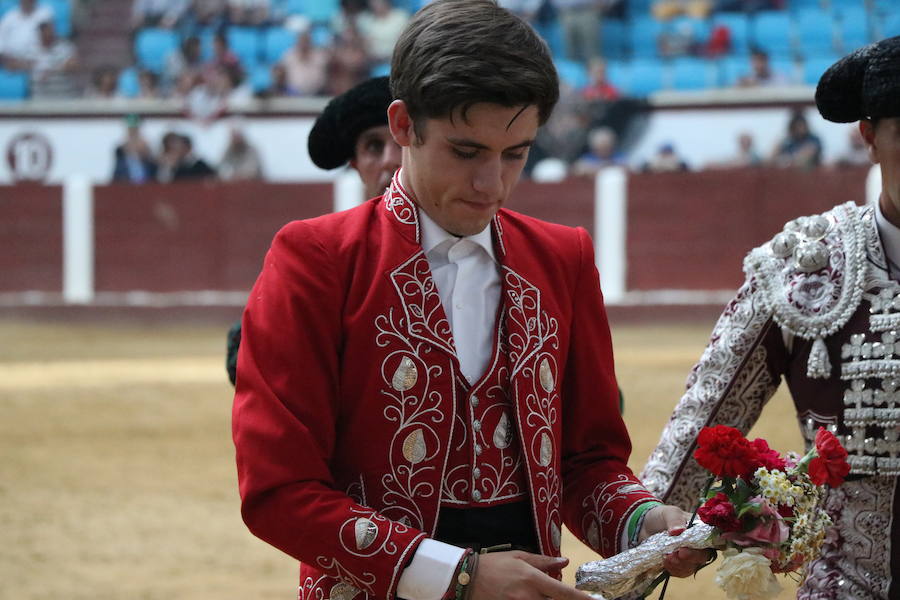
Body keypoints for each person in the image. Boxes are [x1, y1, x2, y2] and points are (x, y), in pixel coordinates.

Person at [232, 3, 708, 600]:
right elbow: (278, 490)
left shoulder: (562, 258)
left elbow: (586, 464)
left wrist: (648, 523)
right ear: (403, 125)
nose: (493, 184)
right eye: (466, 152)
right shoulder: (315, 259)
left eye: (515, 154)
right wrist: (460, 578)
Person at [641, 35, 900, 600]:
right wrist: (642, 544)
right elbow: (704, 420)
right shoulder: (804, 264)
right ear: (870, 137)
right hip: (850, 585)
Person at [226, 75, 401, 384]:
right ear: (355, 163)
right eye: (374, 146)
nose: (392, 160)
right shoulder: (322, 257)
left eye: (404, 140)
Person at [0, 0, 54, 69]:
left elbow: (48, 38)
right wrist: (6, 58)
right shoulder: (9, 17)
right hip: (10, 61)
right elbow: (1, 39)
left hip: (37, 59)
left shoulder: (45, 14)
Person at [112, 114, 158, 183]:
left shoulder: (147, 151)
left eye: (135, 130)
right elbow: (116, 178)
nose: (133, 134)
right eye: (131, 130)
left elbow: (155, 175)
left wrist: (146, 154)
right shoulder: (120, 152)